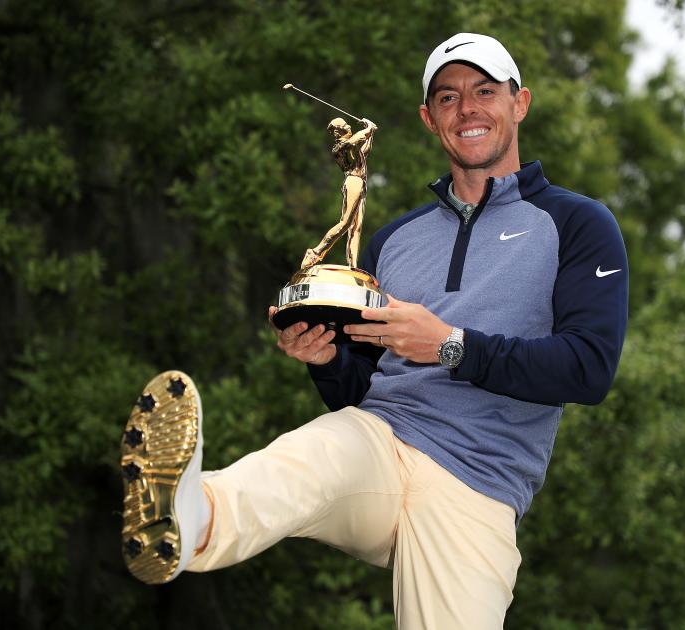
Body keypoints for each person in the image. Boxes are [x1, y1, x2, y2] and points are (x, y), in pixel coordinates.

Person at [120, 32, 628, 629]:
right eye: (447, 97)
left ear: (520, 104)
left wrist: (450, 344)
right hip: (380, 442)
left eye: (484, 91)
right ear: (428, 118)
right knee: (303, 461)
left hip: (477, 487)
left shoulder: (577, 223)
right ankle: (189, 517)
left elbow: (589, 369)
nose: (467, 108)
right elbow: (359, 387)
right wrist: (326, 359)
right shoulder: (392, 241)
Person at [301, 117, 377, 269]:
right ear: (337, 131)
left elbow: (365, 150)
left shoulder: (353, 148)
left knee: (356, 227)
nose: (349, 127)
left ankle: (353, 265)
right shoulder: (340, 147)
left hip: (361, 183)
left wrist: (371, 131)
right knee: (345, 222)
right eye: (345, 126)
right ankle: (316, 252)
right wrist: (368, 128)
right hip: (353, 182)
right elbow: (354, 141)